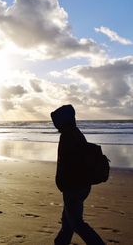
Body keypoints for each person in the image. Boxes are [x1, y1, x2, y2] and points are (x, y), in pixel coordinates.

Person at [51, 105, 105, 245]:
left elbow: (68, 165)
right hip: (79, 186)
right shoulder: (74, 132)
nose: (55, 124)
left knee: (76, 223)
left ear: (63, 120)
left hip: (74, 187)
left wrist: (63, 184)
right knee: (68, 222)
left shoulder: (68, 135)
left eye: (56, 121)